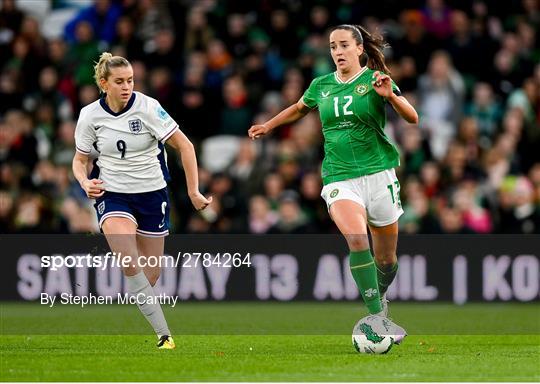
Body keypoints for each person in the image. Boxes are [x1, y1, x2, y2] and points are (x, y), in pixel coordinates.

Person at [248, 25, 418, 343]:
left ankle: (380, 300)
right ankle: (377, 318)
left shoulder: (376, 79)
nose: (337, 52)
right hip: (340, 177)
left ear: (358, 49)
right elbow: (300, 108)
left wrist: (390, 98)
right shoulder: (321, 85)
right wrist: (269, 125)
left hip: (379, 175)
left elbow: (412, 117)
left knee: (386, 260)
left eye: (343, 45)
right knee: (356, 239)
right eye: (332, 47)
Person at [72, 52, 211, 349]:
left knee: (150, 273)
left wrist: (193, 191)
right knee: (126, 255)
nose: (126, 87)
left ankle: (144, 305)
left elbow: (185, 146)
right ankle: (165, 335)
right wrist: (84, 181)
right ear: (103, 83)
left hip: (152, 194)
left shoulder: (149, 108)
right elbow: (80, 159)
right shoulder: (90, 115)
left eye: (131, 80)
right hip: (113, 193)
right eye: (119, 81)